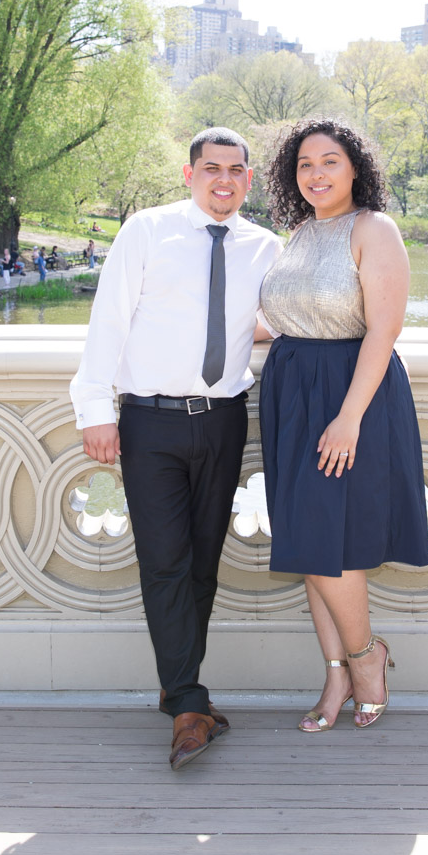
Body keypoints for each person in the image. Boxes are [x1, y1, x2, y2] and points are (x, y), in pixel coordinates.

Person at [70, 127, 281, 770]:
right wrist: (95, 408)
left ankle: (178, 685)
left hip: (223, 420)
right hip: (150, 423)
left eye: (235, 170)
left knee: (203, 565)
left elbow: (273, 318)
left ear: (248, 180)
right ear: (190, 175)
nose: (224, 180)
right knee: (164, 562)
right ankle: (188, 707)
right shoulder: (147, 231)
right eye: (211, 168)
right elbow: (109, 320)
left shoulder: (265, 247)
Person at [258, 118, 428, 733]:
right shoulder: (299, 234)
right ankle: (336, 674)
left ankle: (365, 657)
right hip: (292, 393)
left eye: (329, 161)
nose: (316, 174)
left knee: (332, 541)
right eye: (305, 164)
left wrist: (349, 417)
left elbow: (385, 328)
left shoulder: (374, 229)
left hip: (350, 394)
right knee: (309, 540)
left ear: (355, 167)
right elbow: (281, 318)